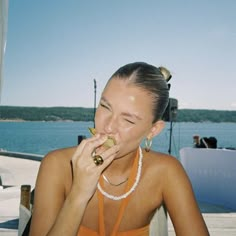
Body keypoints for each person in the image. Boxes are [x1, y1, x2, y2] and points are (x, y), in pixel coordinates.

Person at [29, 62, 209, 236]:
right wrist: (78, 194)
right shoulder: (57, 165)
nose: (107, 126)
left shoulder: (166, 172)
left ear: (153, 130)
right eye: (105, 107)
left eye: (128, 120)